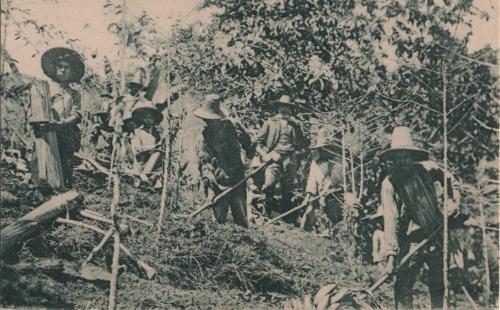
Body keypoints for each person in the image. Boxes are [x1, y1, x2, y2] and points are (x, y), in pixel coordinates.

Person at [380, 126, 461, 309]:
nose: (402, 160)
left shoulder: (429, 170)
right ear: (392, 159)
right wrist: (391, 258)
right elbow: (391, 220)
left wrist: (453, 202)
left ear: (412, 156)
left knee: (438, 286)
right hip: (411, 242)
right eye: (398, 156)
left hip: (436, 236)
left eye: (406, 155)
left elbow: (451, 181)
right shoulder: (390, 184)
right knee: (402, 287)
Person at [194, 94, 252, 228]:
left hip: (238, 180)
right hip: (218, 183)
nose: (208, 122)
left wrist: (248, 167)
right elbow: (205, 164)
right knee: (219, 222)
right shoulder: (203, 137)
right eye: (206, 119)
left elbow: (249, 145)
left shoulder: (233, 126)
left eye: (212, 119)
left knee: (242, 220)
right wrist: (210, 189)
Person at [39, 47, 85, 188]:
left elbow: (77, 114)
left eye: (66, 67)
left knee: (66, 162)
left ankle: (66, 190)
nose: (63, 70)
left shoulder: (74, 93)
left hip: (66, 132)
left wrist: (63, 123)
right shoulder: (46, 88)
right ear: (55, 69)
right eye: (60, 67)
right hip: (47, 130)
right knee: (46, 161)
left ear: (71, 71)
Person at [255, 95, 308, 220]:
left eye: (287, 107)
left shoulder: (295, 126)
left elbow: (302, 145)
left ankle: (287, 218)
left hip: (290, 160)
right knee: (269, 186)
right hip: (274, 159)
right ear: (278, 108)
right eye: (282, 107)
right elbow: (257, 143)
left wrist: (296, 155)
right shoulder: (270, 123)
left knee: (289, 189)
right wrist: (266, 155)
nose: (284, 109)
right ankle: (266, 215)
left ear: (290, 109)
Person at [300, 129, 344, 232]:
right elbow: (312, 182)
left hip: (336, 197)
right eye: (321, 149)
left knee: (333, 214)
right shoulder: (316, 163)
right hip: (320, 195)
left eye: (325, 148)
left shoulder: (340, 163)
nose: (322, 151)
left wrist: (331, 190)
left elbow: (340, 182)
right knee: (309, 212)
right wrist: (308, 197)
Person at [130, 100, 163, 186]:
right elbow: (137, 150)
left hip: (154, 164)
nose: (148, 120)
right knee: (157, 152)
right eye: (146, 117)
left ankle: (154, 178)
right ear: (142, 119)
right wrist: (154, 146)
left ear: (154, 119)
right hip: (141, 162)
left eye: (150, 118)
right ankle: (144, 175)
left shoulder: (157, 133)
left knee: (160, 153)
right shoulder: (137, 132)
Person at [90, 92, 114, 167]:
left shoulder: (113, 128)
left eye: (105, 116)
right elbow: (92, 141)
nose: (103, 118)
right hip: (99, 153)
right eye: (101, 116)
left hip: (110, 155)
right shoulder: (97, 128)